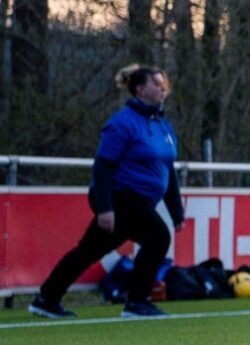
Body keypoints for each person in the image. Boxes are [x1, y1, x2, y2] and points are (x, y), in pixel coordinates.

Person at [32, 65, 184, 319]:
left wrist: (176, 211)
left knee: (89, 250)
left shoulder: (163, 126)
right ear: (139, 89)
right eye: (155, 84)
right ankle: (137, 302)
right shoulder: (122, 123)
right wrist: (105, 207)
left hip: (142, 200)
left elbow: (169, 171)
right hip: (121, 196)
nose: (161, 88)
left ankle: (47, 298)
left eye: (163, 83)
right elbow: (103, 166)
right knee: (157, 237)